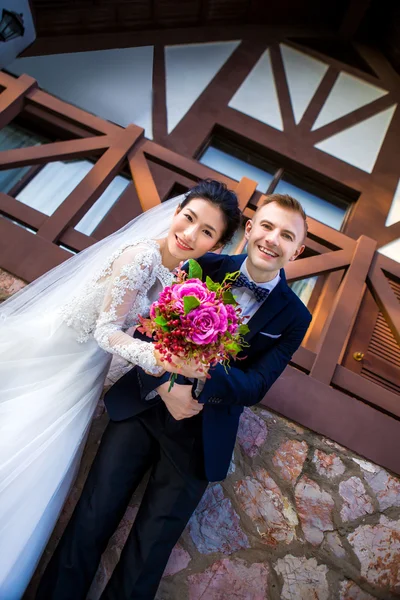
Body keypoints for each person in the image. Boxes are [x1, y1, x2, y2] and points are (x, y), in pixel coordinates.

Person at [37, 193, 312, 600]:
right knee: (90, 520)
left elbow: (255, 386)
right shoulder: (203, 267)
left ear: (297, 249)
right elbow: (150, 326)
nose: (273, 239)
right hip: (143, 405)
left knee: (149, 553)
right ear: (250, 229)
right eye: (267, 227)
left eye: (286, 235)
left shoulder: (295, 317)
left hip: (202, 439)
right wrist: (170, 386)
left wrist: (205, 372)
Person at [0, 179, 241, 600]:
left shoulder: (177, 278)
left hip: (80, 378)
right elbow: (106, 331)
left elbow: (142, 328)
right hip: (55, 361)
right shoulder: (143, 256)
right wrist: (166, 363)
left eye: (206, 232)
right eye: (188, 219)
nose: (190, 234)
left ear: (216, 244)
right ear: (176, 212)